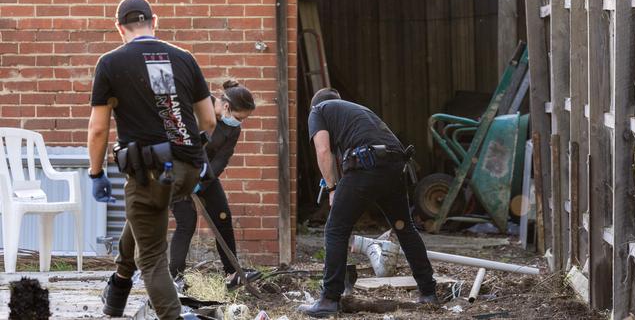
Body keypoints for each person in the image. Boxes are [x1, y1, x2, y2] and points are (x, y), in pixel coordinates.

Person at [87, 0, 216, 320]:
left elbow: (99, 129)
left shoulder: (111, 63)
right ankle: (116, 292)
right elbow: (209, 120)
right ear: (153, 22)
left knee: (152, 257)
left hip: (150, 171)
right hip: (188, 168)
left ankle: (173, 317)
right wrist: (188, 148)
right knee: (142, 214)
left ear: (119, 28)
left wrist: (95, 172)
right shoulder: (182, 58)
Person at [297, 88, 439, 317]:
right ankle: (428, 293)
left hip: (367, 165)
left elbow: (323, 151)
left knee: (336, 229)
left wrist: (332, 188)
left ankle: (328, 300)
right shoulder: (358, 112)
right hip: (395, 166)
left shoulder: (318, 110)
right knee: (405, 228)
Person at [169, 80, 262, 289]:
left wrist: (202, 182)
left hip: (205, 177)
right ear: (227, 106)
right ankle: (174, 278)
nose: (240, 123)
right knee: (187, 221)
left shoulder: (232, 130)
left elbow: (222, 159)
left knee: (223, 217)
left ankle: (232, 273)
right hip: (179, 173)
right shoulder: (200, 107)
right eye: (239, 117)